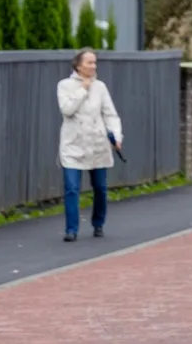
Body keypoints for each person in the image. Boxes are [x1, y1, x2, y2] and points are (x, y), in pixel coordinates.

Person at [56, 48, 123, 242]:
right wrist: (83, 90)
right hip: (73, 144)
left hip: (97, 144)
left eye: (95, 63)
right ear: (78, 65)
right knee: (71, 188)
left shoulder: (100, 87)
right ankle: (71, 229)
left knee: (100, 187)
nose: (93, 66)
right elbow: (67, 110)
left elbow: (110, 114)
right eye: (89, 63)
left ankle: (98, 223)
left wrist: (116, 136)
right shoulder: (65, 86)